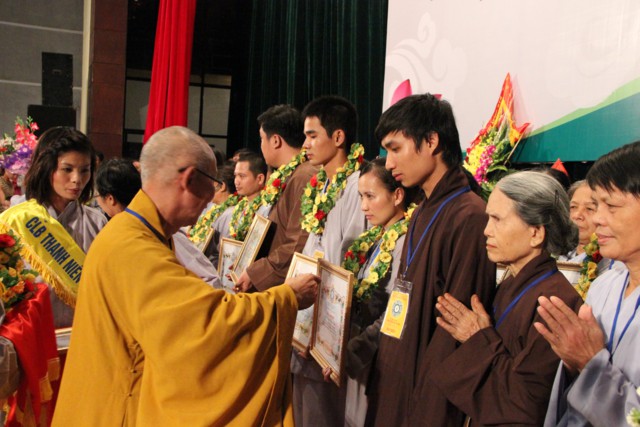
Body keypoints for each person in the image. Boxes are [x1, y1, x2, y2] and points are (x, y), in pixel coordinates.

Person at [52, 126, 319, 426]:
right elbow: (207, 323)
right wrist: (287, 297)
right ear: (190, 179)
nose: (212, 198)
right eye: (213, 184)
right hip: (118, 408)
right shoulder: (131, 246)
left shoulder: (137, 231)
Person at [366, 94, 496, 427]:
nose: (389, 164)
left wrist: (429, 409)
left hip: (425, 399)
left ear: (431, 141)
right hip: (396, 377)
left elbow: (454, 332)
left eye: (396, 149)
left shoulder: (470, 217)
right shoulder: (424, 209)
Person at [429, 171, 582, 426]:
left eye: (497, 219)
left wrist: (477, 338)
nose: (486, 230)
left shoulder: (555, 303)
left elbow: (527, 403)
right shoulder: (515, 282)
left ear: (536, 233)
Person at [535, 141, 640, 427]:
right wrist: (572, 359)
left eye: (611, 206)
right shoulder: (604, 286)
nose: (597, 219)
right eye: (597, 205)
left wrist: (590, 362)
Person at [292, 95, 367, 426]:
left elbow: (351, 261)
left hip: (332, 324)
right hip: (309, 315)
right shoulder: (321, 184)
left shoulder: (357, 186)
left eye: (312, 135)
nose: (305, 144)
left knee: (321, 414)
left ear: (338, 137)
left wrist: (323, 329)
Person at [0, 127, 106, 328]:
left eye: (85, 170)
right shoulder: (14, 221)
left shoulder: (97, 223)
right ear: (46, 168)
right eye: (67, 169)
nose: (77, 179)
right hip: (29, 338)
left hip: (81, 337)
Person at [340, 157, 417, 426]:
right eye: (361, 196)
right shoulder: (376, 236)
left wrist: (355, 350)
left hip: (377, 357)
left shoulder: (405, 241)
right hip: (361, 351)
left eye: (371, 196)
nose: (363, 206)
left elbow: (395, 309)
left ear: (397, 195)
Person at [95, 158, 222, 288]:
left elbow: (210, 279)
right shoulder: (122, 231)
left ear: (110, 198)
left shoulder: (163, 230)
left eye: (97, 195)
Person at [234, 104, 316, 292]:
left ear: (276, 140)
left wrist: (256, 272)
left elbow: (297, 241)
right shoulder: (288, 174)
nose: (261, 145)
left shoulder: (304, 176)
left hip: (284, 286)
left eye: (262, 139)